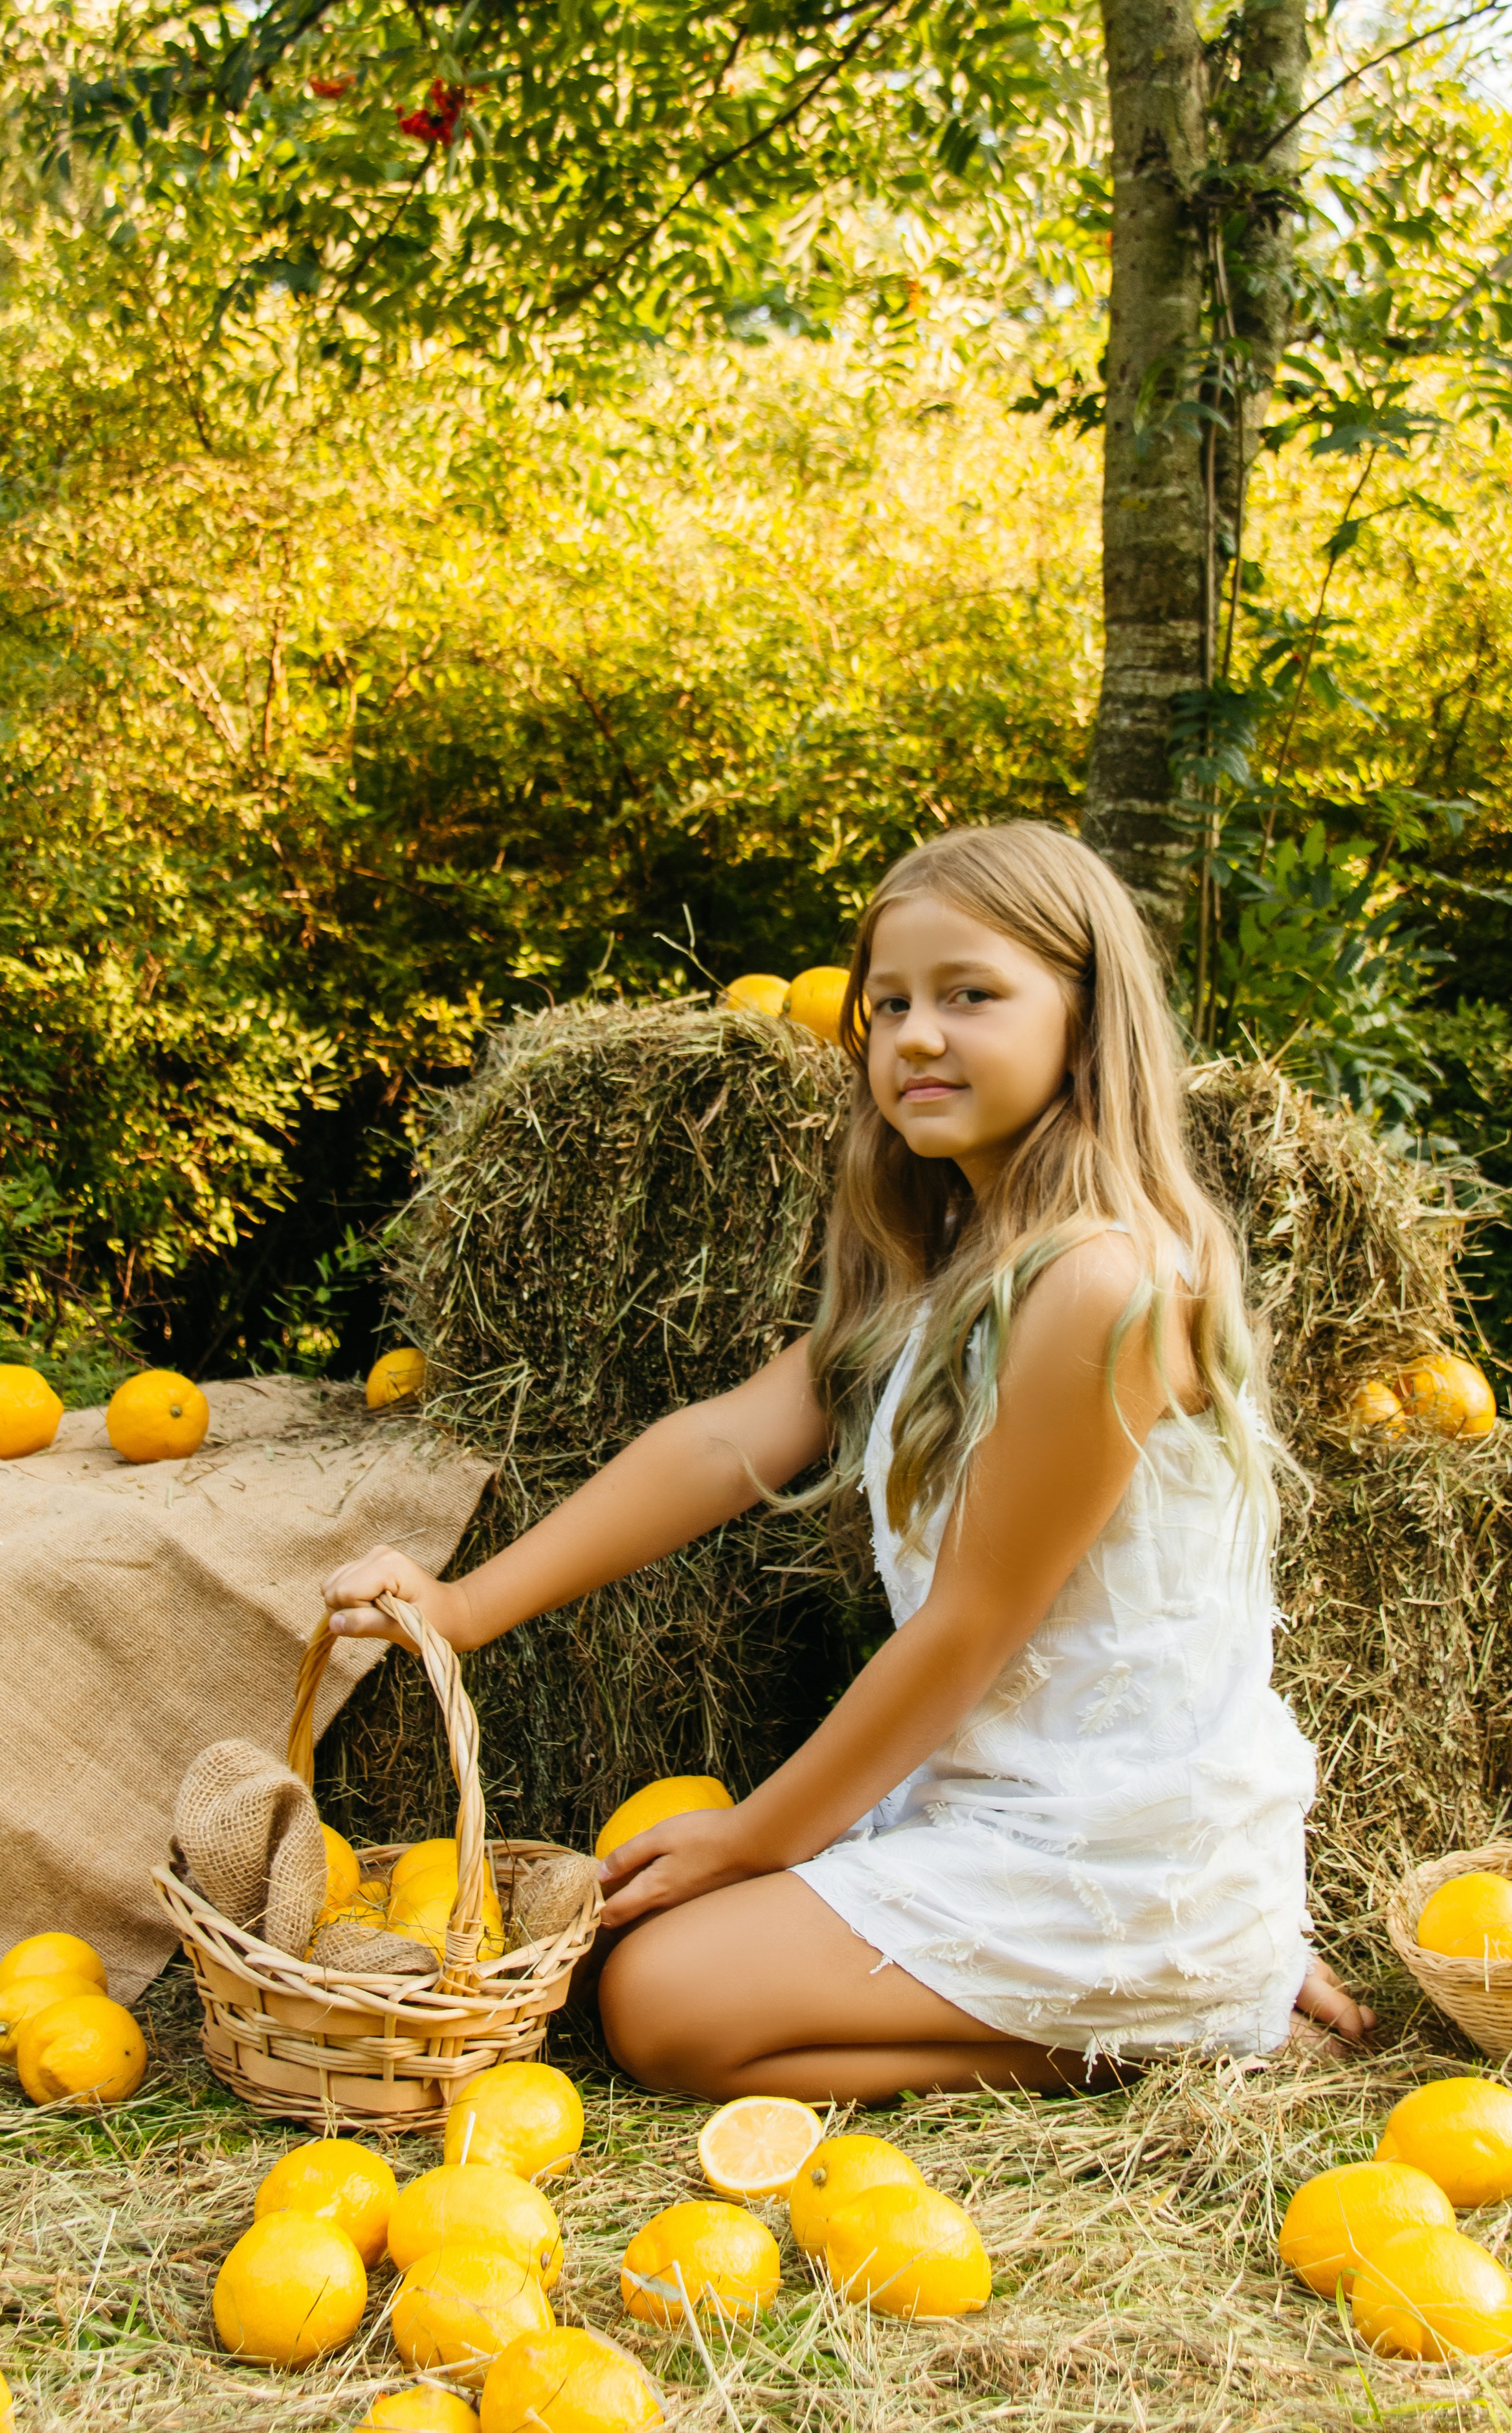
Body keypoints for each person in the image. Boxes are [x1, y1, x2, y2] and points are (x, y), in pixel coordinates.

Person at [323, 821, 1373, 2102]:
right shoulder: (945, 1270)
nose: (913, 1036)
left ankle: (1192, 2002)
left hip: (1107, 1831)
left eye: (967, 994)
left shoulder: (1100, 1280)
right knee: (641, 1963)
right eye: (886, 1005)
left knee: (656, 1999)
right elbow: (720, 1442)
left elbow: (972, 1624)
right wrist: (462, 1605)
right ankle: (1190, 1990)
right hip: (989, 1803)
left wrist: (753, 1835)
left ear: (1087, 1018)